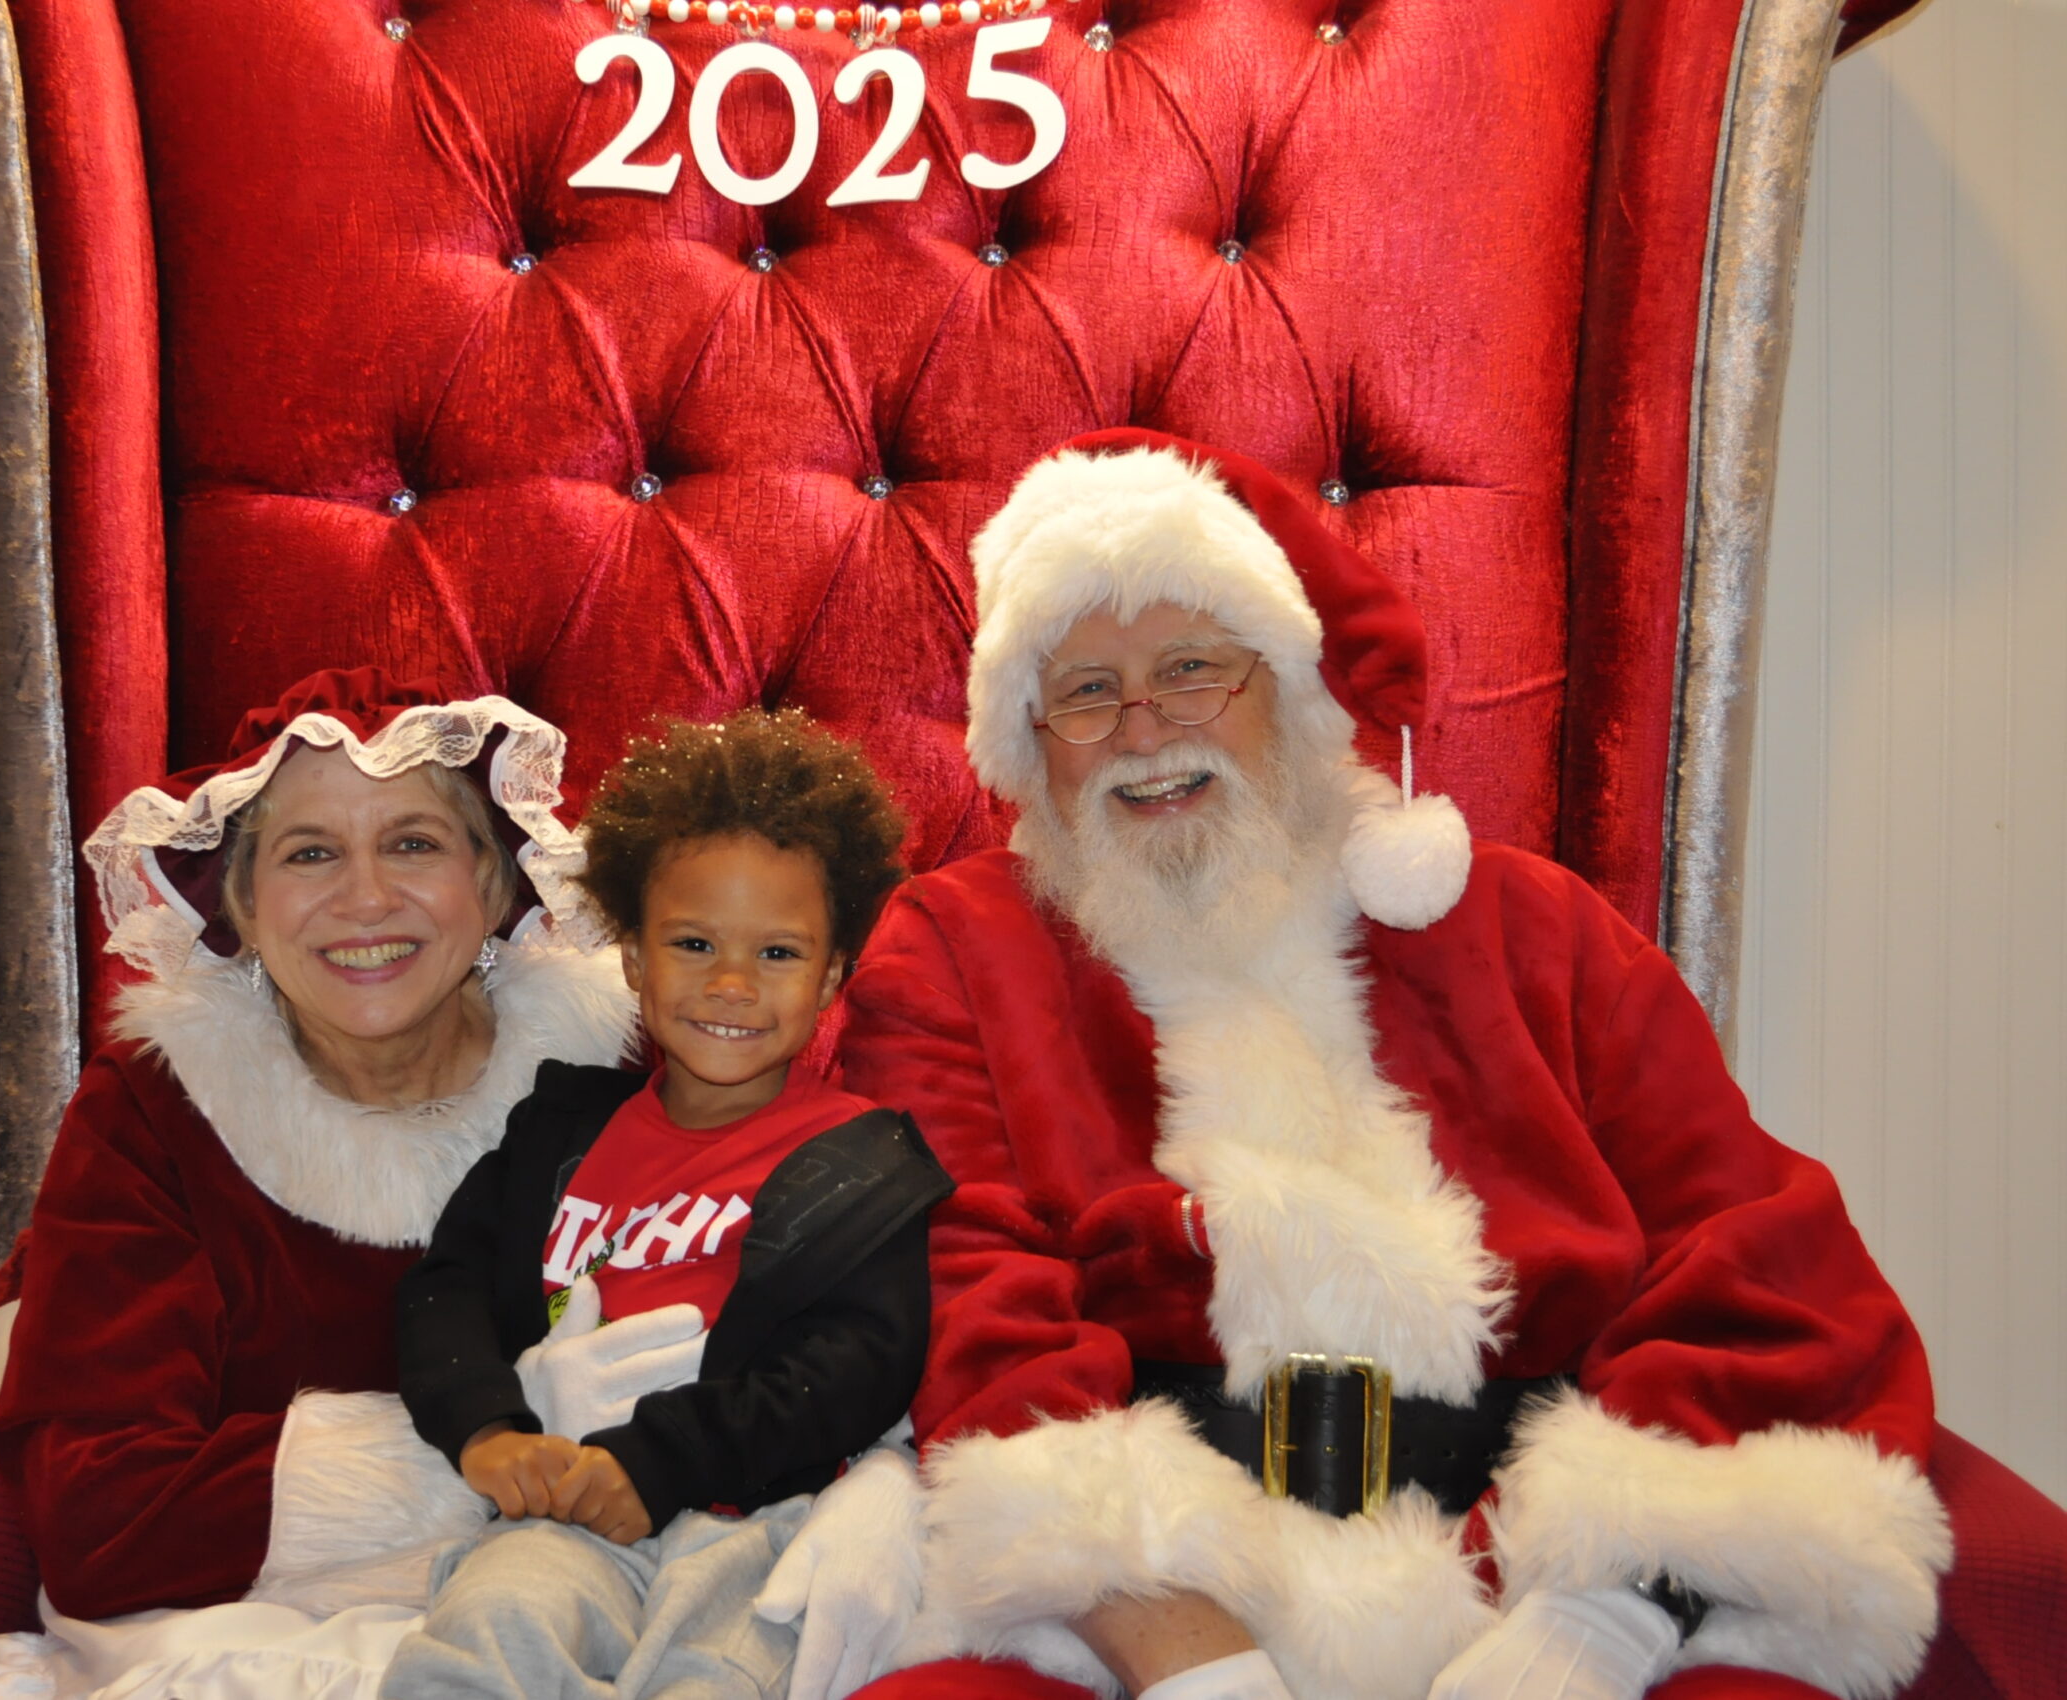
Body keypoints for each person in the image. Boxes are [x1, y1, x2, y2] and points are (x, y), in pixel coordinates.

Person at [788, 432, 1952, 1700]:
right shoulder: (957, 945)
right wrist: (1190, 1657)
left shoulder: (1533, 927)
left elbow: (1752, 1255)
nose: (1142, 729)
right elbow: (958, 1285)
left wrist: (1609, 1607)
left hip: (1539, 1567)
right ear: (1028, 740)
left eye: (1191, 669)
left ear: (1290, 688)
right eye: (1084, 691)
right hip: (1128, 1600)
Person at [0, 667, 664, 1698]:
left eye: (414, 843)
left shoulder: (623, 1078)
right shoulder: (160, 1112)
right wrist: (514, 1440)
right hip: (234, 1643)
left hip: (569, 1613)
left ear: (495, 882)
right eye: (309, 852)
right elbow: (100, 1519)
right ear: (241, 905)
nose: (365, 897)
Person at [383, 709, 952, 1700]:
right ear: (636, 961)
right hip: (565, 1510)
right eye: (693, 942)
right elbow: (444, 1294)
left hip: (757, 1520)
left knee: (717, 1677)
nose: (731, 982)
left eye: (778, 954)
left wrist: (660, 1460)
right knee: (490, 1625)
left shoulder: (864, 1161)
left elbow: (856, 1368)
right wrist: (488, 1428)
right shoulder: (557, 1131)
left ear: (831, 976)